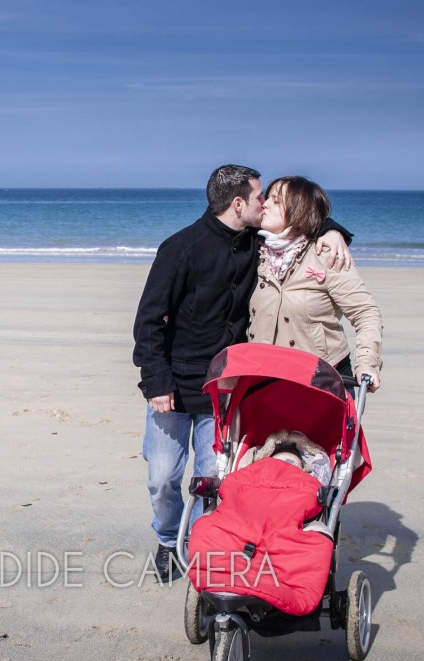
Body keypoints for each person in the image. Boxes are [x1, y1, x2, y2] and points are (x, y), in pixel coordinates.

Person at [132, 165, 353, 582]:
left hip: (225, 389)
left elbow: (300, 218)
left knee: (211, 481)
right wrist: (156, 383)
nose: (265, 203)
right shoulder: (180, 249)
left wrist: (332, 231)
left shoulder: (257, 245)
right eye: (258, 198)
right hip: (173, 389)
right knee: (162, 480)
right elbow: (147, 323)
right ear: (238, 204)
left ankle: (195, 544)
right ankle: (166, 541)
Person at [248, 175, 382, 393]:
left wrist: (366, 363)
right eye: (267, 197)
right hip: (266, 381)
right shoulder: (254, 253)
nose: (265, 204)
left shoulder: (326, 254)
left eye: (276, 200)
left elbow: (365, 313)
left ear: (299, 209)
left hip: (321, 381)